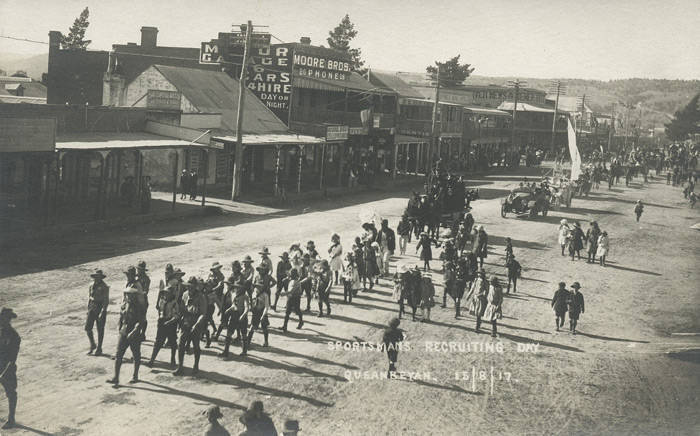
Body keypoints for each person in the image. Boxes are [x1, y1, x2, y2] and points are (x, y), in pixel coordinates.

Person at [106, 286, 144, 386]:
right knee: (118, 355)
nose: (128, 296)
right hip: (124, 331)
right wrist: (119, 327)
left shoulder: (139, 306)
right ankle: (116, 377)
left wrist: (134, 332)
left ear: (134, 295)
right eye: (127, 294)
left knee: (136, 355)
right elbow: (121, 317)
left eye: (130, 294)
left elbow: (141, 322)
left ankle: (135, 375)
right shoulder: (124, 304)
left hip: (134, 333)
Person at [173, 277, 207, 375]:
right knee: (180, 344)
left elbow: (203, 313)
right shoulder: (185, 295)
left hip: (196, 322)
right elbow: (182, 309)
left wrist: (196, 324)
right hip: (186, 322)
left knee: (196, 345)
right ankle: (180, 367)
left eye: (192, 286)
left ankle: (196, 366)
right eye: (188, 286)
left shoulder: (201, 297)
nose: (189, 288)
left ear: (196, 287)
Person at [147, 283, 179, 368]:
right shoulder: (162, 300)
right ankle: (152, 360)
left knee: (172, 343)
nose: (165, 294)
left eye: (167, 293)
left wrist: (169, 322)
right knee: (158, 342)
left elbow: (176, 316)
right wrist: (161, 319)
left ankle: (173, 359)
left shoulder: (174, 303)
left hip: (171, 323)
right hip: (162, 322)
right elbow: (160, 310)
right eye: (165, 293)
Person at [0, 308, 20, 429]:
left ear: (8, 320)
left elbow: (12, 359)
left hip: (7, 369)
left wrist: (2, 372)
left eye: (3, 319)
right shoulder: (1, 331)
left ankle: (11, 419)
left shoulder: (14, 336)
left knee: (11, 393)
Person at [220, 277, 250, 358]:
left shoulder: (245, 296)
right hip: (234, 315)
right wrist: (229, 309)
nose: (237, 288)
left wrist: (243, 315)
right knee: (229, 333)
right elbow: (234, 305)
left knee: (243, 334)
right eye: (236, 287)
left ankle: (244, 351)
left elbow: (247, 308)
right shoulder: (233, 294)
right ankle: (226, 351)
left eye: (239, 287)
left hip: (241, 316)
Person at [85, 269, 109, 356]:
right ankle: (92, 344)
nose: (96, 278)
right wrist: (88, 309)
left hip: (100, 307)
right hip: (92, 306)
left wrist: (103, 311)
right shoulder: (91, 285)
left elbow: (106, 299)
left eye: (98, 276)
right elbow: (89, 297)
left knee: (100, 329)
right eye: (95, 276)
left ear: (101, 277)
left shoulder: (104, 286)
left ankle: (99, 348)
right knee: (87, 328)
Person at [248, 277, 271, 348]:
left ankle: (266, 341)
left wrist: (263, 315)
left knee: (264, 327)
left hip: (262, 312)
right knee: (252, 327)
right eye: (257, 287)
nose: (258, 288)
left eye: (260, 287)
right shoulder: (254, 294)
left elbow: (266, 306)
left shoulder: (265, 295)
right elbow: (252, 302)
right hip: (255, 312)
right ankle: (248, 342)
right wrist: (251, 307)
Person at [136, 260, 151, 339]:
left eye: (140, 269)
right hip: (135, 300)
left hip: (143, 300)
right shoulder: (135, 277)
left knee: (143, 317)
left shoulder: (146, 279)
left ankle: (143, 333)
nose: (138, 271)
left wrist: (139, 293)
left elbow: (146, 291)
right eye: (138, 269)